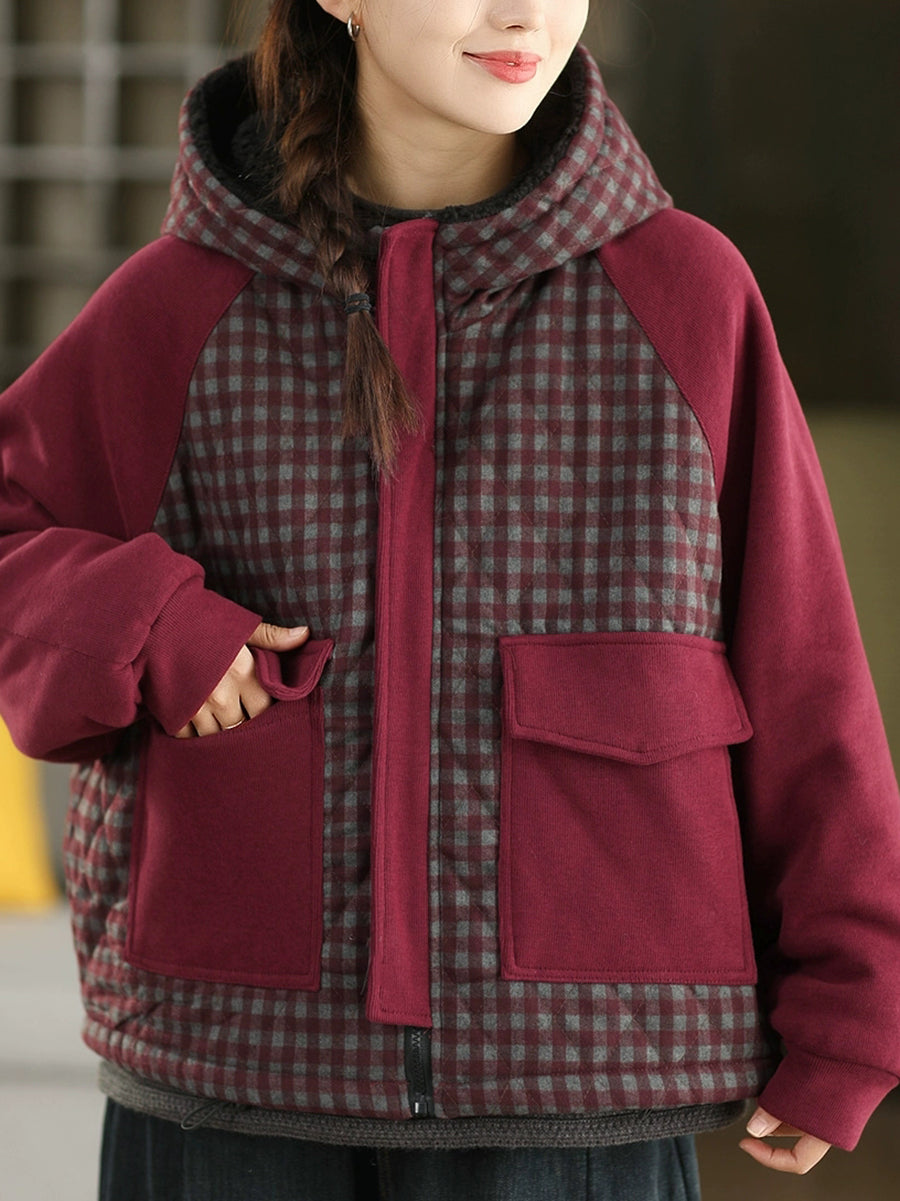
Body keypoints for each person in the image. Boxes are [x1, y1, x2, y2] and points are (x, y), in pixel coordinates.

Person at [1, 1, 898, 1197]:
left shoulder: (685, 291)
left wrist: (853, 1014)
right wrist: (147, 621)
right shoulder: (175, 307)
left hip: (575, 1097)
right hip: (231, 1086)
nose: (525, 13)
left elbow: (807, 676)